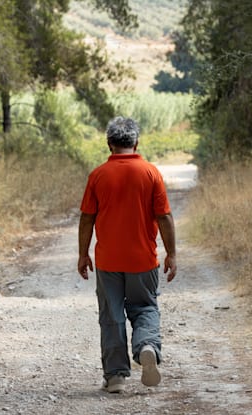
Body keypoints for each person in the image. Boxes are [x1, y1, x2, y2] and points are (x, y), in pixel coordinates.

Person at [77, 116, 177, 394]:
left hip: (108, 260)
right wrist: (171, 253)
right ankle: (146, 346)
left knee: (112, 315)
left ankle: (116, 376)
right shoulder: (150, 172)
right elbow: (165, 216)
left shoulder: (98, 175)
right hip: (143, 259)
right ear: (137, 142)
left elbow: (87, 218)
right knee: (145, 307)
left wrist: (83, 254)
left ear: (109, 144)